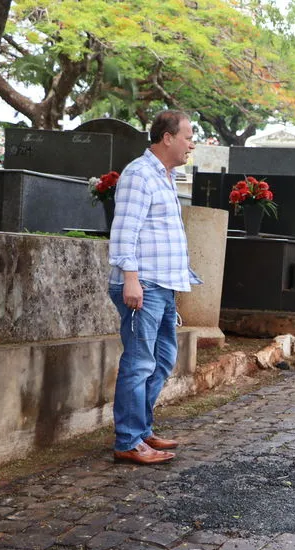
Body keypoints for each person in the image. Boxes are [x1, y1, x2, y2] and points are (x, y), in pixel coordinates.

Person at [108, 110, 201, 464]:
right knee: (139, 363)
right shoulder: (139, 174)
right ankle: (128, 441)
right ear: (167, 138)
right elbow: (124, 232)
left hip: (162, 286)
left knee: (162, 360)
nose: (192, 143)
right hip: (142, 284)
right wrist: (131, 279)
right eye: (188, 136)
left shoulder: (165, 176)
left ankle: (141, 429)